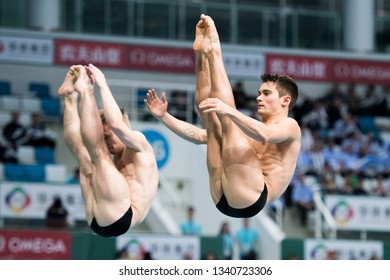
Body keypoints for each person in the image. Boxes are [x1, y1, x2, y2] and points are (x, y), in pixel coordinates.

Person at [145, 14, 301, 218]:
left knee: (227, 120)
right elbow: (198, 136)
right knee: (213, 125)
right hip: (221, 194)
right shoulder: (248, 129)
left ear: (285, 100)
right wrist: (165, 117)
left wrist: (229, 110)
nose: (259, 98)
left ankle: (215, 51)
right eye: (259, 93)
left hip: (252, 197)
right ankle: (202, 56)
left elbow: (266, 135)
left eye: (266, 93)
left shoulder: (290, 126)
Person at [58, 64, 158, 237]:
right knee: (84, 156)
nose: (107, 142)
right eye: (104, 138)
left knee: (98, 153)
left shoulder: (139, 143)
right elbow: (84, 143)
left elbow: (116, 125)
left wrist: (101, 85)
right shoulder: (116, 159)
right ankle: (69, 98)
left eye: (108, 136)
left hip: (123, 215)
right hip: (96, 216)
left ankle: (86, 90)